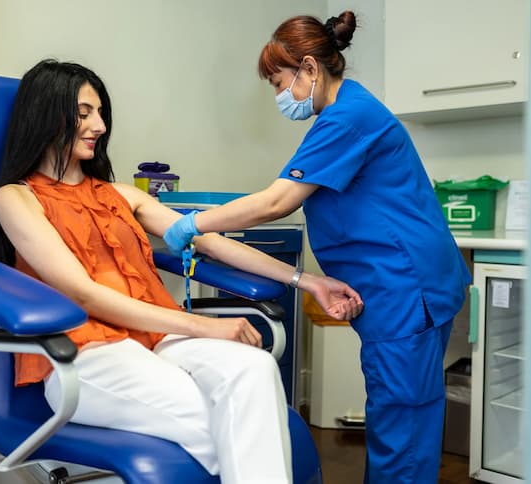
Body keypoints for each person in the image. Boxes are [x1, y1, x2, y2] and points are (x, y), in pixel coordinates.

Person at [0, 59, 363, 483]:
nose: (100, 126)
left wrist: (307, 280)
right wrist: (203, 325)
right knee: (234, 422)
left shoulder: (120, 194)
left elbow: (210, 241)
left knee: (255, 369)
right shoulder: (16, 199)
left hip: (160, 342)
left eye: (100, 112)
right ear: (44, 116)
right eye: (83, 113)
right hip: (84, 356)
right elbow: (84, 294)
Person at [163, 11, 472, 484]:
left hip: (405, 288)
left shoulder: (346, 118)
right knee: (401, 416)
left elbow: (276, 202)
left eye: (279, 82)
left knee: (402, 425)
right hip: (405, 284)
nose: (279, 96)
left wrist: (191, 224)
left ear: (309, 68)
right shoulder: (348, 111)